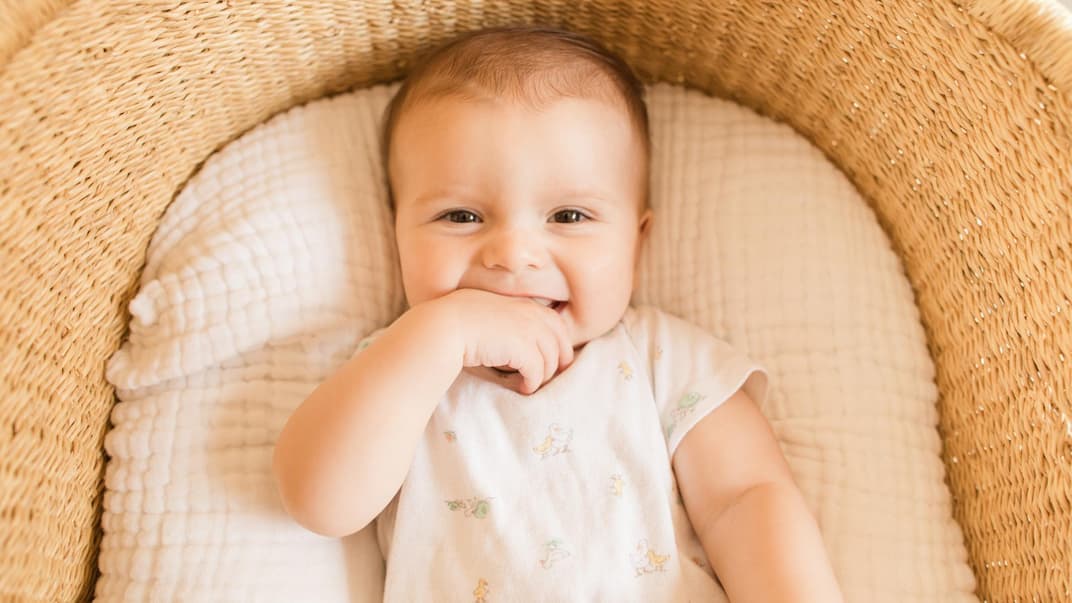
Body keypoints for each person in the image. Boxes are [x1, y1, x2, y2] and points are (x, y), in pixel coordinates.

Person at [272, 24, 842, 602]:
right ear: (394, 232)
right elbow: (321, 503)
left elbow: (746, 499)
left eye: (568, 216)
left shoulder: (663, 361)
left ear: (636, 245)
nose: (513, 254)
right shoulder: (403, 367)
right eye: (460, 216)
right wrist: (439, 334)